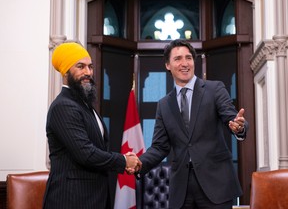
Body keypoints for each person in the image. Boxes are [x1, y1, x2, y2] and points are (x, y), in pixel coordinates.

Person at [136, 39, 248, 209]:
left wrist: (239, 127)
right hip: (181, 190)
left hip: (216, 186)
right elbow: (159, 147)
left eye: (188, 58)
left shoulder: (214, 89)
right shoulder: (164, 104)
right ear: (168, 65)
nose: (184, 63)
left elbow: (233, 118)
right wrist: (138, 163)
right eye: (178, 59)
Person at [43, 42, 140, 209]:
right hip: (71, 200)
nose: (87, 72)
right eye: (80, 67)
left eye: (90, 67)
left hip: (95, 197)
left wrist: (124, 160)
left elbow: (97, 149)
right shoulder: (64, 106)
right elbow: (86, 153)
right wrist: (123, 161)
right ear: (66, 72)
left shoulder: (84, 105)